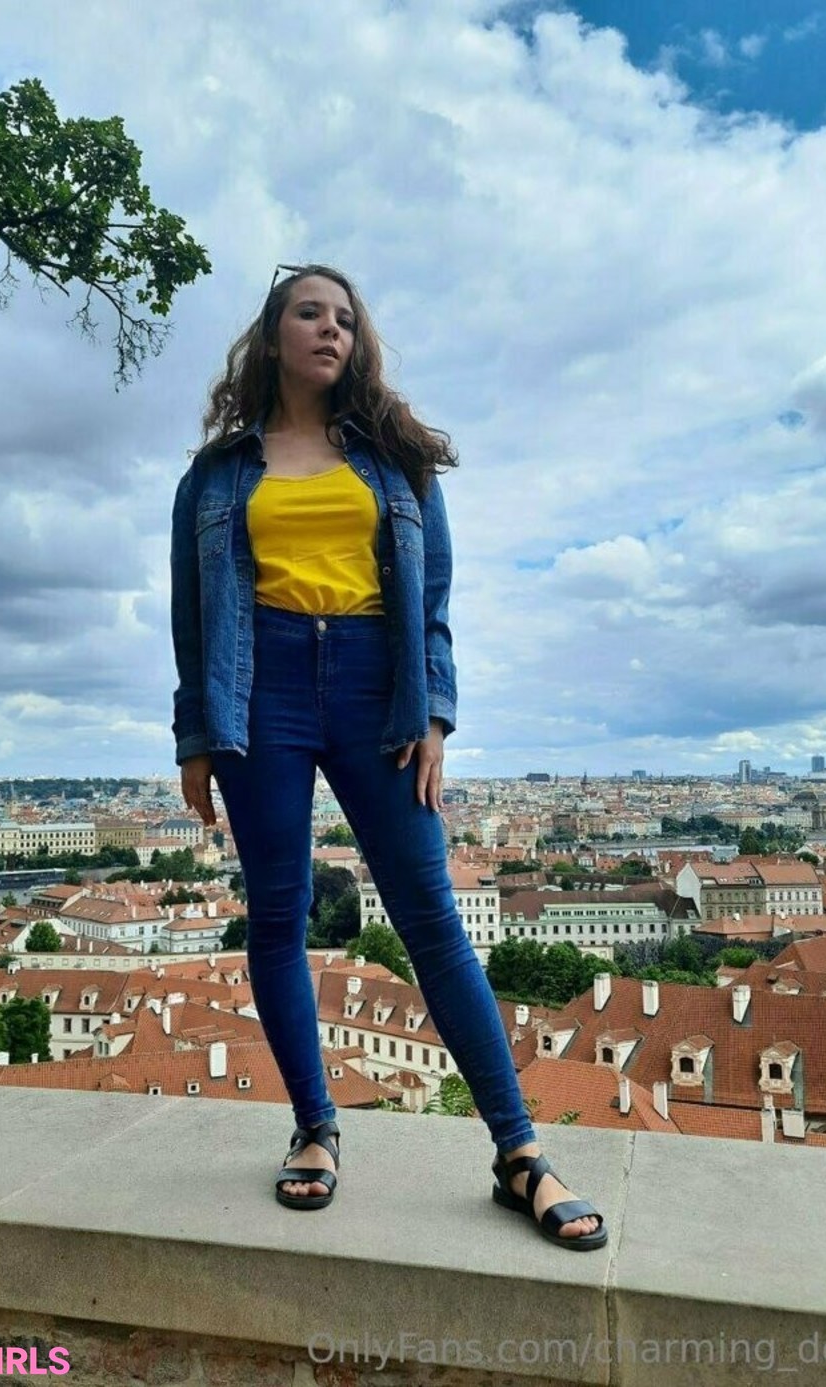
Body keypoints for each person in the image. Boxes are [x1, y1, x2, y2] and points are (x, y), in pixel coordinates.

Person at [169, 263, 606, 1250]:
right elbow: (191, 616)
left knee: (430, 916)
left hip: (378, 685)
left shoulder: (396, 459)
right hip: (261, 686)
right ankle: (315, 1127)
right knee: (276, 915)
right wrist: (196, 735)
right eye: (309, 312)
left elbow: (434, 599)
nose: (330, 328)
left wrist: (435, 715)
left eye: (345, 318)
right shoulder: (216, 474)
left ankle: (520, 1152)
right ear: (273, 334)